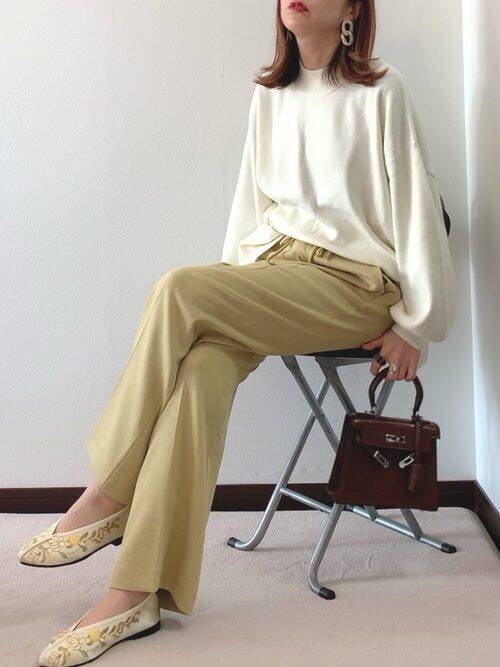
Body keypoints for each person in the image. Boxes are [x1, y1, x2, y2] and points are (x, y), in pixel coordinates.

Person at [19, 1, 456, 665]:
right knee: (200, 370)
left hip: (356, 286)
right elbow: (250, 209)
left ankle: (109, 489)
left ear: (351, 8)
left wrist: (416, 323)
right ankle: (134, 594)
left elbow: (418, 208)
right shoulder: (269, 95)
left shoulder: (381, 89)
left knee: (178, 288)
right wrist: (223, 312)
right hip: (276, 275)